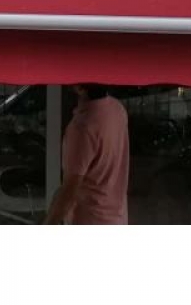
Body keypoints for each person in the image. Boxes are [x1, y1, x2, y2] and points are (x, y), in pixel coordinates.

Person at [43, 84, 129, 224]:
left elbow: (69, 191)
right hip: (117, 219)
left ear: (79, 88)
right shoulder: (117, 109)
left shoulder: (82, 128)